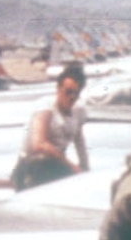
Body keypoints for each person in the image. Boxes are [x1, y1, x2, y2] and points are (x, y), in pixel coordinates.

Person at [12, 62, 90, 190]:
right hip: (33, 167)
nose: (72, 97)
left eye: (76, 93)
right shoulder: (45, 107)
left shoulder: (78, 111)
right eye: (68, 92)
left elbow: (80, 142)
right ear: (58, 89)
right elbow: (39, 144)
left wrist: (85, 168)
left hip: (56, 165)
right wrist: (71, 166)